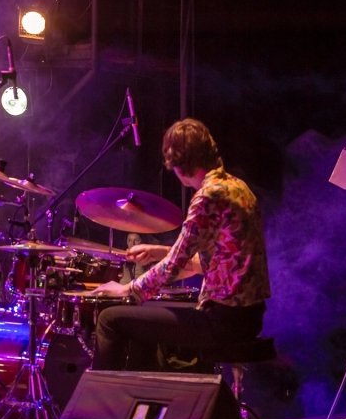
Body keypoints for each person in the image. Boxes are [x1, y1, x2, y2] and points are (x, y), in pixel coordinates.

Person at [92, 118, 271, 371]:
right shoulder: (238, 187)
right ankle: (143, 400)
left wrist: (127, 289)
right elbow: (218, 263)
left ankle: (104, 407)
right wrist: (161, 251)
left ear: (178, 163)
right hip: (249, 317)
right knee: (142, 319)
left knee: (110, 319)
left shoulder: (208, 197)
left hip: (222, 321)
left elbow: (173, 267)